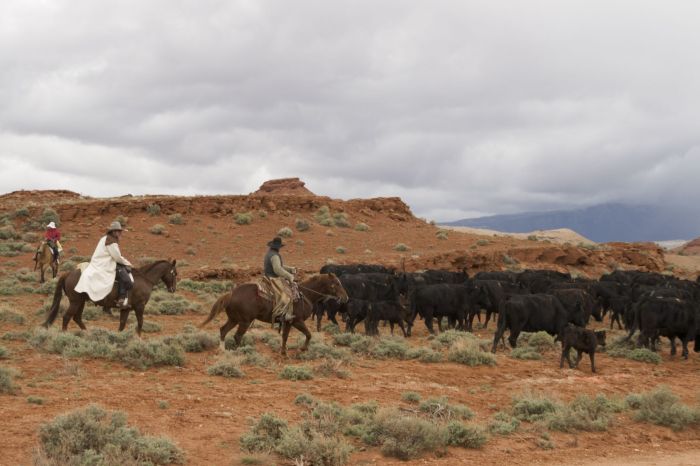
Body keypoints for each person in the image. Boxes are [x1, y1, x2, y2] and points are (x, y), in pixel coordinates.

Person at [75, 221, 134, 309]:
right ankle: (121, 299)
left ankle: (108, 306)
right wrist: (128, 263)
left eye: (120, 231)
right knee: (126, 279)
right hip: (105, 264)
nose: (120, 233)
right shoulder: (112, 242)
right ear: (113, 232)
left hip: (101, 262)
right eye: (118, 231)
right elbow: (117, 257)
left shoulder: (106, 238)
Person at [263, 236, 298, 325]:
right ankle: (282, 314)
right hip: (273, 279)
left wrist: (290, 269)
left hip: (267, 277)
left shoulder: (269, 253)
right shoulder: (274, 255)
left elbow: (279, 266)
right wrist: (289, 276)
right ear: (278, 247)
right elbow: (277, 269)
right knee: (287, 295)